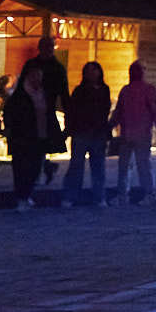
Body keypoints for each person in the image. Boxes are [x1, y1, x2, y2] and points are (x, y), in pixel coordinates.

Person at [14, 35, 71, 186]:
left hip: (46, 110)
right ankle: (44, 168)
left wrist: (68, 116)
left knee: (40, 144)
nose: (48, 50)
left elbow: (64, 93)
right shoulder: (36, 65)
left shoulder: (56, 68)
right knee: (36, 145)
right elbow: (22, 89)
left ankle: (40, 172)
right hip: (31, 111)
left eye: (50, 47)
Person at [110, 60, 156, 205]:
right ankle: (142, 194)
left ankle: (138, 194)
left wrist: (111, 124)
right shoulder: (140, 90)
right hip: (134, 132)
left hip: (135, 133)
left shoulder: (135, 90)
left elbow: (155, 109)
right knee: (135, 165)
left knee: (135, 165)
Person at [63, 62, 112, 207]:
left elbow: (105, 110)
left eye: (94, 70)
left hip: (98, 133)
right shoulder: (79, 91)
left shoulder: (104, 89)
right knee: (76, 166)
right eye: (89, 71)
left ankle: (99, 196)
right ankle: (70, 196)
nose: (92, 74)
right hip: (81, 132)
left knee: (98, 167)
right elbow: (72, 111)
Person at [4, 66, 48, 210]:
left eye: (39, 76)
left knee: (35, 168)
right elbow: (9, 114)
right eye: (34, 76)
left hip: (39, 135)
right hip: (22, 137)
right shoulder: (19, 95)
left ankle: (26, 194)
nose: (37, 79)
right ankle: (21, 196)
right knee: (21, 168)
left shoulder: (43, 94)